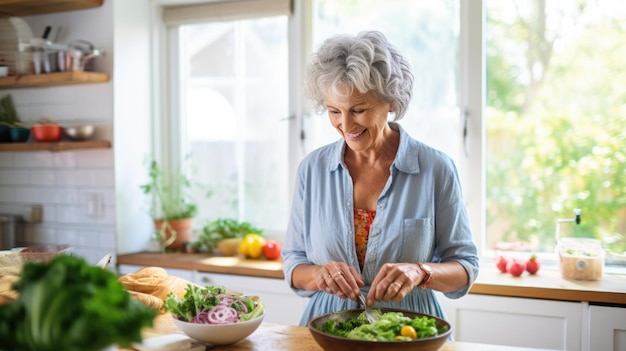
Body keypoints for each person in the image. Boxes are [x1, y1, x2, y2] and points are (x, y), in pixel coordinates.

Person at [281, 30, 479, 326]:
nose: (345, 125)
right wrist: (319, 275)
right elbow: (294, 262)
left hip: (410, 329)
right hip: (327, 327)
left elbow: (465, 266)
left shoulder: (436, 168)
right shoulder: (312, 169)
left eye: (358, 110)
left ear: (391, 103)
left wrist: (420, 272)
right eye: (334, 111)